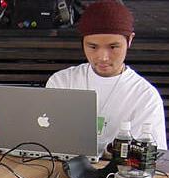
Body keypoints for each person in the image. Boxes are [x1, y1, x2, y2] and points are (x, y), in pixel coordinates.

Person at [46, 0, 166, 152]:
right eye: (93, 47)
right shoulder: (61, 82)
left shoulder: (145, 96)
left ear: (129, 40)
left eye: (113, 47)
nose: (103, 57)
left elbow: (153, 156)